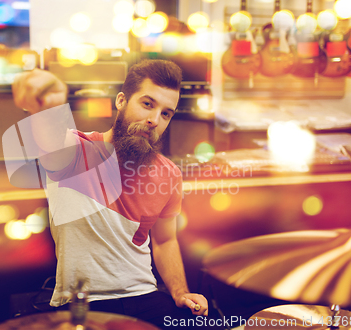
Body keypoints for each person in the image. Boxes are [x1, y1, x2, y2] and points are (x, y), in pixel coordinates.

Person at [12, 59, 209, 328]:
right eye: (147, 104)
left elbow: (164, 241)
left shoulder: (169, 173)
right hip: (82, 303)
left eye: (166, 114)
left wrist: (180, 293)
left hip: (145, 296)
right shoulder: (70, 150)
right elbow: (47, 122)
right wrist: (50, 96)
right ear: (121, 101)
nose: (154, 120)